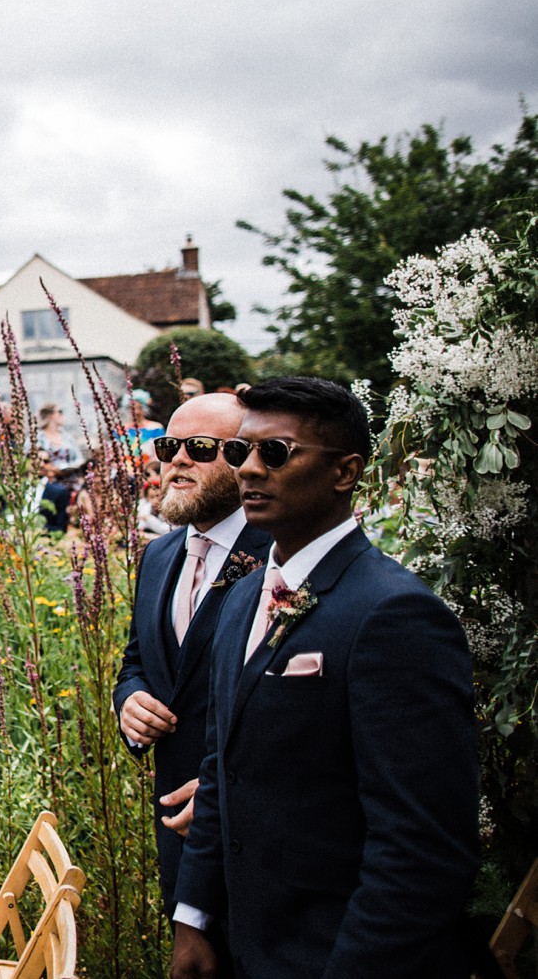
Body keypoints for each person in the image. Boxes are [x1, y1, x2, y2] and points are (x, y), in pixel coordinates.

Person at [171, 378, 477, 979]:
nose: (249, 471)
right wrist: (194, 916)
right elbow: (220, 768)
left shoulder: (394, 614)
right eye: (239, 452)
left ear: (345, 472)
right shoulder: (240, 601)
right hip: (243, 945)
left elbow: (420, 847)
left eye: (275, 453)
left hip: (336, 952)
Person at [114, 393, 271, 929]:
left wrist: (237, 788)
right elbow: (137, 660)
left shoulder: (279, 555)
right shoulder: (158, 556)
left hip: (261, 841)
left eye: (200, 447)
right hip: (178, 834)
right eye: (168, 445)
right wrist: (129, 701)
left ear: (246, 458)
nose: (176, 459)